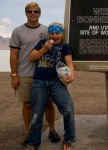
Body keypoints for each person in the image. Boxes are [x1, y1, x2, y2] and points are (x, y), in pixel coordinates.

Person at [9, 2, 61, 146]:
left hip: (45, 74)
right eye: (29, 11)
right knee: (27, 105)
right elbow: (14, 54)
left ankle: (52, 130)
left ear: (40, 13)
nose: (33, 14)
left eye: (35, 11)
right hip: (25, 74)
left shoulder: (47, 30)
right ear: (25, 13)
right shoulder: (17, 31)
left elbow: (58, 47)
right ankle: (29, 133)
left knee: (48, 104)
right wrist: (14, 74)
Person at [26, 22, 76, 150]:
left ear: (61, 34)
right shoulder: (42, 42)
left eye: (57, 33)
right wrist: (44, 49)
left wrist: (72, 75)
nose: (55, 35)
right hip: (39, 82)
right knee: (36, 113)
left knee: (68, 109)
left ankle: (68, 139)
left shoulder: (65, 46)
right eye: (52, 33)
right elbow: (31, 57)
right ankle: (33, 143)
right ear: (49, 34)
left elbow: (69, 62)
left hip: (56, 82)